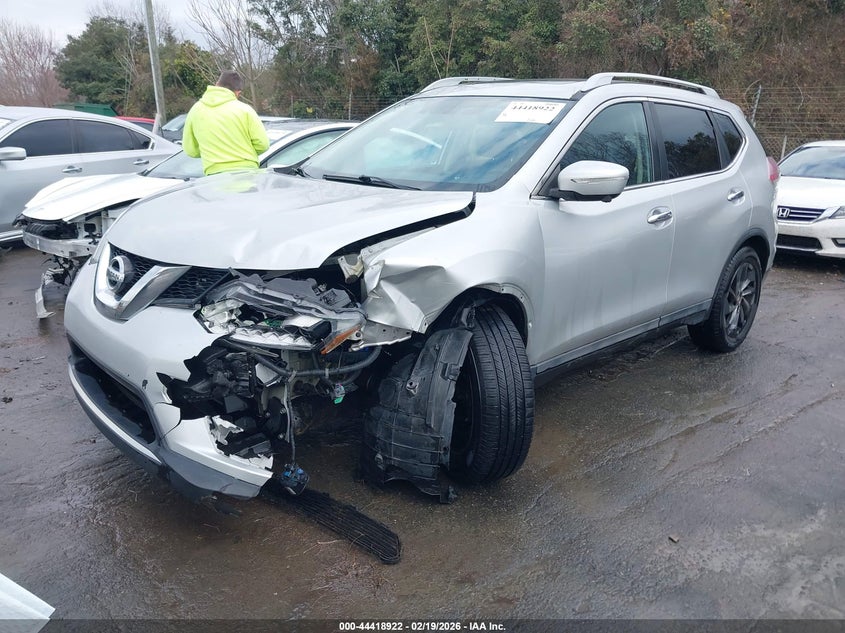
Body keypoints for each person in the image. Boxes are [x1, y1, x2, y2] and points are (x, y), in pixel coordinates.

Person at [182, 70, 270, 176]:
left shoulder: (195, 111)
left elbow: (190, 150)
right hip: (247, 173)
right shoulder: (245, 110)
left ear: (216, 85)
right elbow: (263, 144)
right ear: (238, 92)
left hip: (214, 175)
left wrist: (213, 151)